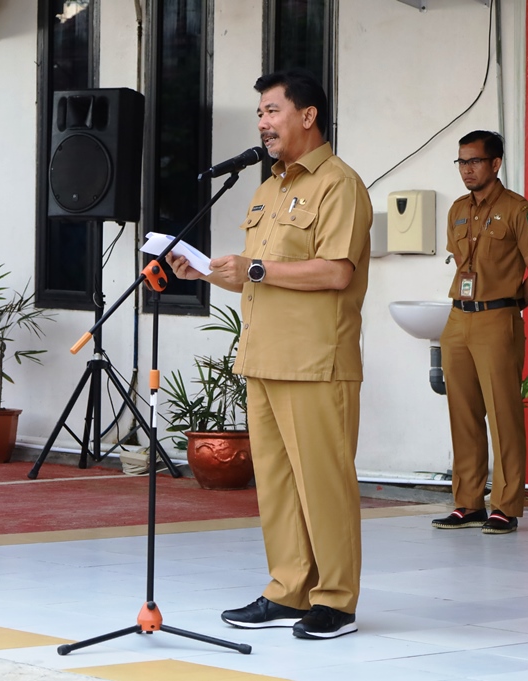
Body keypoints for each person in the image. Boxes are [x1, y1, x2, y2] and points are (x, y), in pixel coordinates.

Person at [166, 68, 372, 640]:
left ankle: (335, 601)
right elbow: (262, 279)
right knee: (278, 486)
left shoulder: (339, 185)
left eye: (272, 111)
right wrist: (207, 270)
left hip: (314, 362)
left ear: (308, 116)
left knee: (323, 484)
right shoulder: (267, 188)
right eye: (260, 113)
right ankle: (288, 589)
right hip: (263, 359)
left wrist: (254, 267)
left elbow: (335, 271)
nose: (263, 123)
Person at [431, 131, 528, 535]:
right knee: (462, 412)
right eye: (462, 162)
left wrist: (508, 307)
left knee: (503, 414)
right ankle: (468, 503)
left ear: (495, 163)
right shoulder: (458, 209)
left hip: (497, 318)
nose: (467, 169)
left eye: (475, 161)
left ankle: (506, 504)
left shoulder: (519, 210)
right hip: (458, 318)